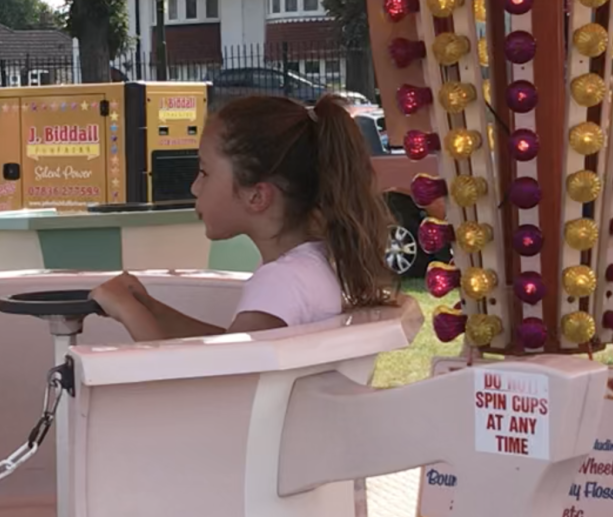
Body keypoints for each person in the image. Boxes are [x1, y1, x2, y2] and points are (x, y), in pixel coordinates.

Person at [91, 94, 395, 340]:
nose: (194, 187)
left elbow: (220, 386)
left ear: (257, 196)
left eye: (205, 172)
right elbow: (230, 352)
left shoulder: (281, 281)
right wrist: (150, 309)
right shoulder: (306, 267)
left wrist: (127, 311)